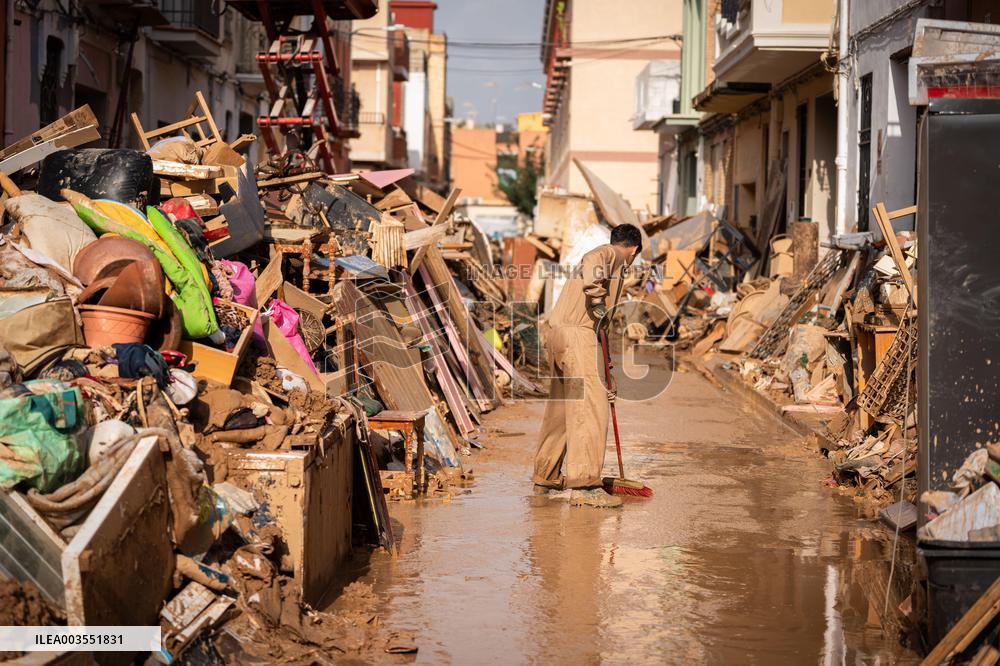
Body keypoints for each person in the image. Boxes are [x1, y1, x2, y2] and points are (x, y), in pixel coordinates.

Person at [532, 223, 643, 508]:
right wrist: (596, 297)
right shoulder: (612, 254)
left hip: (558, 334)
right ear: (633, 250)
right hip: (577, 336)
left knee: (561, 410)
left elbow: (599, 328)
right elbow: (593, 261)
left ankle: (546, 477)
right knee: (589, 409)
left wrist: (606, 368)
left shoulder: (611, 260)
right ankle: (584, 486)